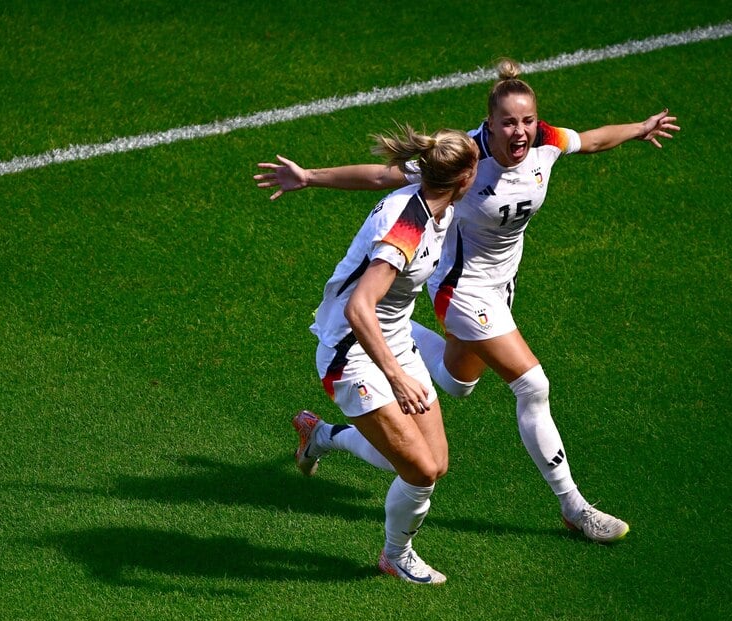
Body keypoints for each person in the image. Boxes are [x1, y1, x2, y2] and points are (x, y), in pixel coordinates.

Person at [258, 58, 680, 544]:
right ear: (490, 123)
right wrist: (310, 176)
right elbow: (383, 175)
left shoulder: (545, 139)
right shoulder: (465, 158)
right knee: (532, 385)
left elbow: (593, 139)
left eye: (526, 121)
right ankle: (574, 506)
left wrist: (640, 128)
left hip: (500, 288)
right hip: (461, 291)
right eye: (508, 122)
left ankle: (325, 434)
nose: (520, 132)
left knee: (457, 386)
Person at [296, 123, 478, 584]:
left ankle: (322, 436)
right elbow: (360, 306)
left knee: (435, 463)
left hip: (392, 336)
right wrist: (396, 376)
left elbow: (378, 176)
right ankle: (395, 555)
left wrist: (309, 176)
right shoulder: (407, 229)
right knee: (418, 472)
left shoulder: (432, 189)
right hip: (350, 352)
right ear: (464, 179)